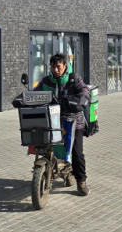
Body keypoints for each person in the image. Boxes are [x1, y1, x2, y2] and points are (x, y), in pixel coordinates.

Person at [39, 53, 91, 195]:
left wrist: (78, 100)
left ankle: (81, 181)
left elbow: (85, 91)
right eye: (53, 67)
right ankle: (50, 172)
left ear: (65, 65)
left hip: (73, 122)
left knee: (77, 153)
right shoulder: (46, 81)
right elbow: (35, 93)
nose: (56, 70)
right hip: (53, 121)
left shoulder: (74, 80)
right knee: (46, 147)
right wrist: (24, 99)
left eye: (58, 66)